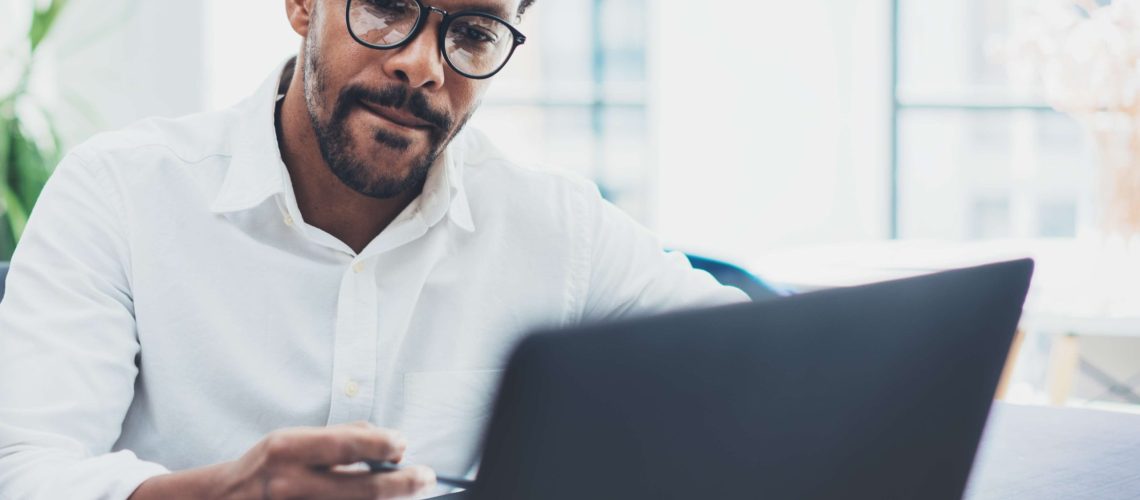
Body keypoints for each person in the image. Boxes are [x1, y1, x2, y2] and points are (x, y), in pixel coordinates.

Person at [0, 0, 746, 498]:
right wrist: (226, 491)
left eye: (475, 31)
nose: (423, 65)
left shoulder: (557, 224)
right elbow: (23, 468)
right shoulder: (122, 191)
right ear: (302, 5)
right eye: (388, 5)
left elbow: (751, 373)